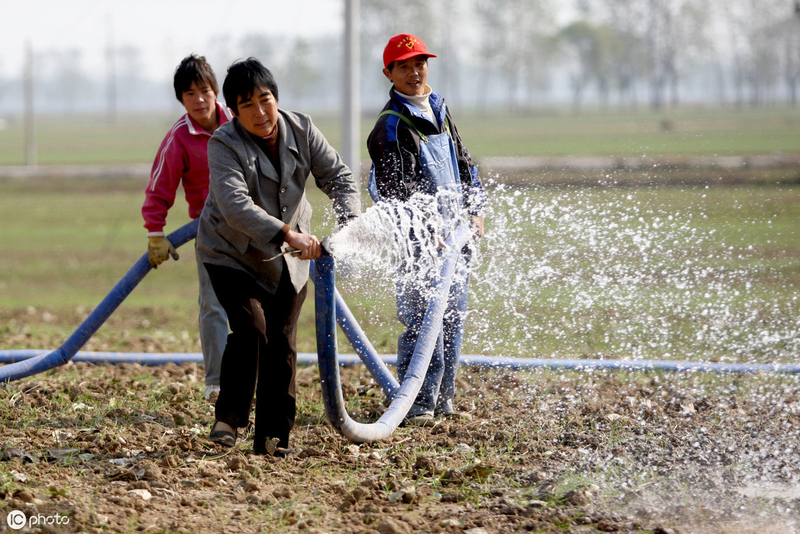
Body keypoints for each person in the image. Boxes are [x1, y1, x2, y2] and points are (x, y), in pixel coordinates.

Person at [197, 58, 361, 455]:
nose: (260, 112)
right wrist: (290, 234)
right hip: (230, 252)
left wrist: (351, 223)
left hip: (289, 258)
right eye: (247, 104)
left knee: (283, 341)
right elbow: (235, 206)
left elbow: (339, 177)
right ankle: (229, 419)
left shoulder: (302, 128)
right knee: (252, 327)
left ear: (276, 98)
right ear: (234, 112)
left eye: (265, 99)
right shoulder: (223, 144)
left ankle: (274, 436)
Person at [367, 33, 486, 425]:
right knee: (422, 318)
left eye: (419, 63)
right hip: (418, 241)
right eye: (404, 66)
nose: (414, 71)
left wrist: (477, 211)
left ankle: (444, 395)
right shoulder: (390, 126)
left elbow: (464, 163)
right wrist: (425, 231)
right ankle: (418, 402)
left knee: (453, 315)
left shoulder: (439, 109)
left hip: (454, 237)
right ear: (389, 73)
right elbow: (397, 193)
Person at [141, 54, 232, 400]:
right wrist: (155, 235)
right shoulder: (179, 138)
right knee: (213, 304)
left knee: (266, 303)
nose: (198, 100)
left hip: (255, 226)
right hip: (209, 231)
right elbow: (159, 188)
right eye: (189, 94)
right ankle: (217, 383)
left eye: (204, 91)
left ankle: (260, 377)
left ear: (216, 92)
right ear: (181, 99)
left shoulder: (239, 121)